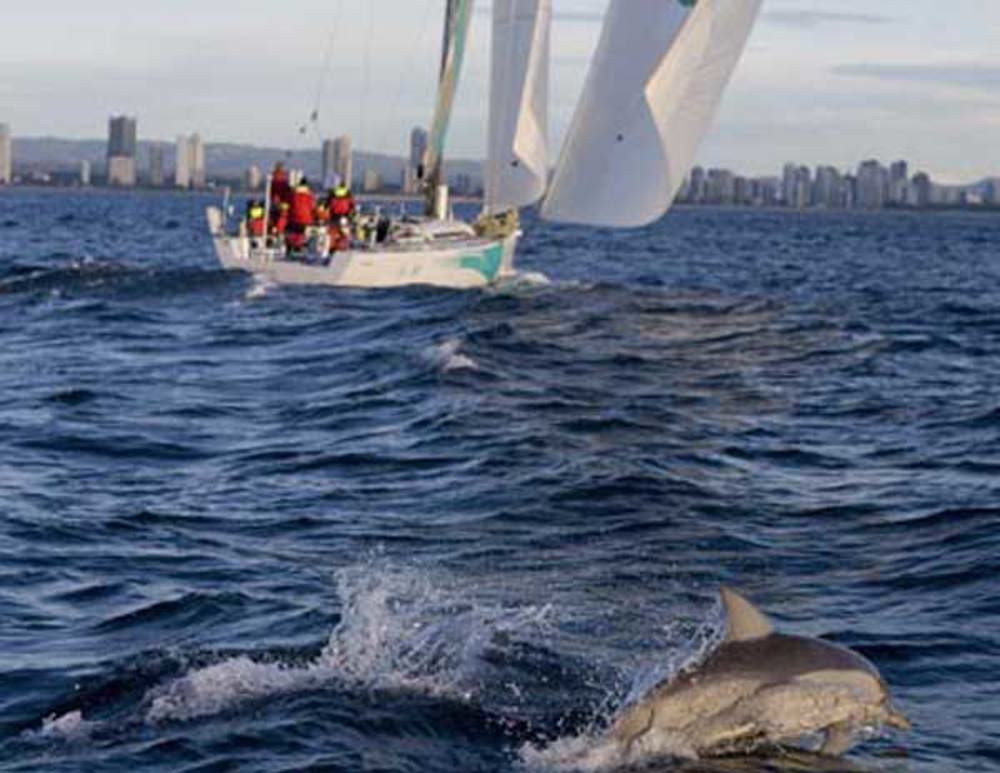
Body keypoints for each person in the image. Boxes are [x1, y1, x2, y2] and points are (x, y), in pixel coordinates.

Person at [287, 178, 316, 251]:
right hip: (306, 217)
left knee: (295, 231)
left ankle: (293, 245)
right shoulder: (309, 194)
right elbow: (312, 206)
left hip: (294, 216)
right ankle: (299, 245)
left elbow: (289, 204)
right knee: (302, 232)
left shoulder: (294, 194)